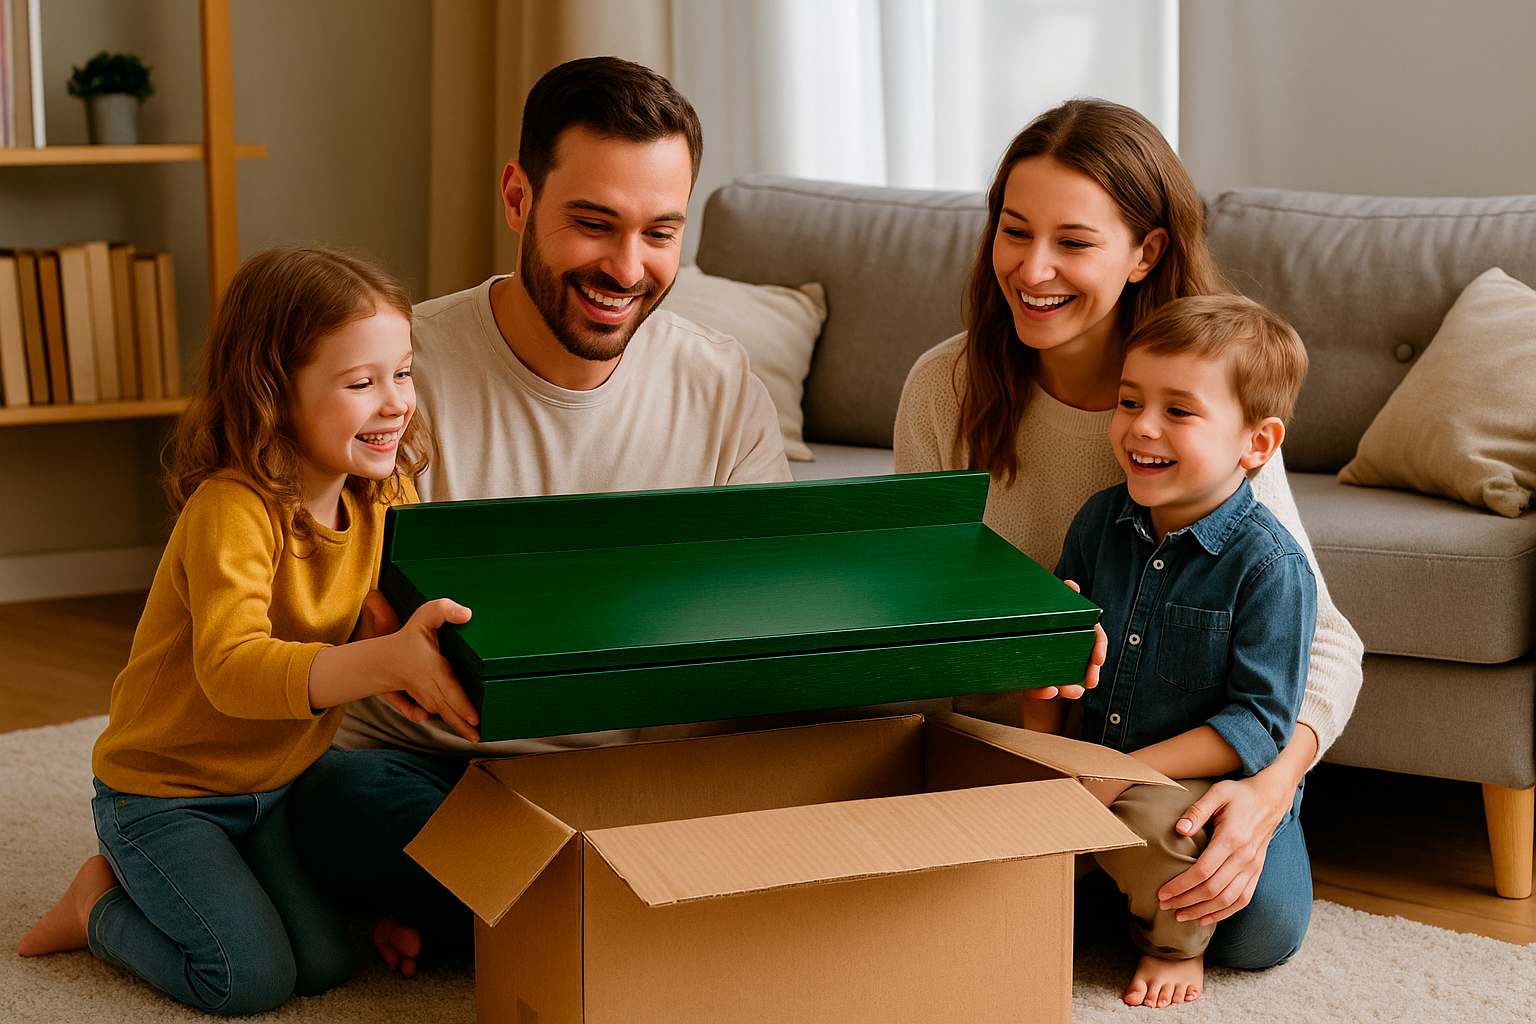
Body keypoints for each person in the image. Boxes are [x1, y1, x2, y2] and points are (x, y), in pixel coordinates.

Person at [286, 56, 792, 977]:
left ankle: (486, 922)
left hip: (642, 779)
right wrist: (355, 608)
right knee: (326, 799)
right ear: (519, 197)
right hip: (435, 769)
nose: (626, 268)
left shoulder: (717, 381)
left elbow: (769, 613)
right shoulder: (398, 371)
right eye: (593, 224)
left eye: (660, 232)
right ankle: (604, 917)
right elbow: (279, 580)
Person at [893, 98, 1363, 975]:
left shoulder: (1207, 399)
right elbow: (921, 619)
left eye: (1074, 241)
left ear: (1146, 252)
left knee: (1254, 926)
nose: (1033, 268)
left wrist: (1267, 790)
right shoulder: (942, 389)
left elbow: (1327, 644)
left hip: (1182, 752)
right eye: (1014, 231)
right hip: (1029, 739)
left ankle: (1116, 876)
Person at [15, 247, 479, 1016]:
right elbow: (233, 670)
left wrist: (411, 655)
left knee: (327, 964)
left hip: (272, 787)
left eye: (401, 372)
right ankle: (95, 908)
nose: (396, 402)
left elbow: (398, 608)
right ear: (274, 393)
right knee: (247, 980)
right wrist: (375, 662)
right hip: (164, 794)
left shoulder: (384, 493)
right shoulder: (230, 510)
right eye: (361, 383)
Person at [1038, 294, 1316, 1007]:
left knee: (1174, 838)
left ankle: (1171, 946)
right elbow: (1067, 661)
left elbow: (1259, 724)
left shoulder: (1269, 567)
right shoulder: (1099, 522)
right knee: (1015, 840)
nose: (1142, 429)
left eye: (1179, 412)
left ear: (1256, 444)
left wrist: (1123, 773)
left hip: (1186, 782)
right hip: (1098, 758)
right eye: (1129, 403)